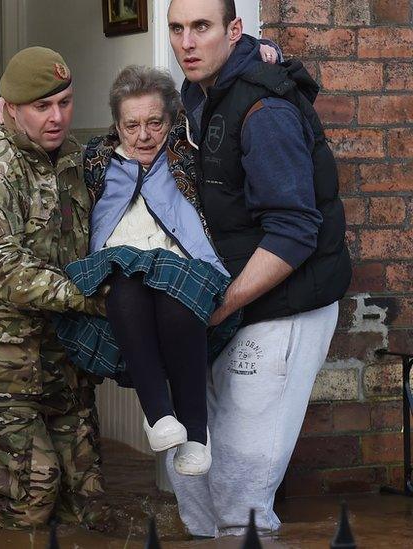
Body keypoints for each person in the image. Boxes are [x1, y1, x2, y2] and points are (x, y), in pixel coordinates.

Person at [164, 0, 352, 537]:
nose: (187, 43)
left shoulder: (263, 111)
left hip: (283, 305)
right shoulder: (199, 95)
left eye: (202, 27)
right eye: (178, 29)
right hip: (233, 302)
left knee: (239, 497)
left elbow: (295, 232)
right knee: (193, 485)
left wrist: (215, 306)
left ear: (235, 30)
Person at [0, 46, 107, 529]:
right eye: (42, 107)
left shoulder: (73, 159)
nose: (57, 117)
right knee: (33, 493)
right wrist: (88, 296)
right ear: (11, 108)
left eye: (66, 103)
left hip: (61, 360)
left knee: (87, 497)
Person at [52, 65, 242, 478]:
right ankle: (158, 415)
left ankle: (196, 433)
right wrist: (0, 111)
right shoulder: (96, 163)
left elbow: (222, 95)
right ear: (116, 126)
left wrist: (268, 51)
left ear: (171, 121)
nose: (143, 136)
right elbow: (38, 142)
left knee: (175, 297)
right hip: (121, 276)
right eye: (131, 125)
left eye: (154, 123)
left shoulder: (191, 154)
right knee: (125, 285)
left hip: (186, 274)